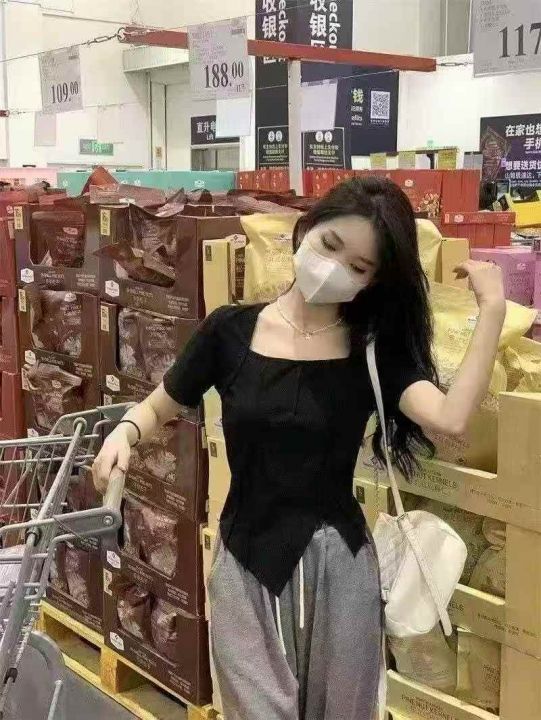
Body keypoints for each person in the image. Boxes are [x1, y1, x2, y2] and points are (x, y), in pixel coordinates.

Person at [93, 177, 506, 720]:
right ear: (308, 228)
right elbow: (157, 406)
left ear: (372, 282)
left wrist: (493, 309)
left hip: (342, 567)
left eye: (358, 266)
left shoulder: (371, 351)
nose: (334, 268)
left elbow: (451, 417)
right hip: (245, 562)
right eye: (330, 245)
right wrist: (124, 432)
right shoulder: (229, 332)